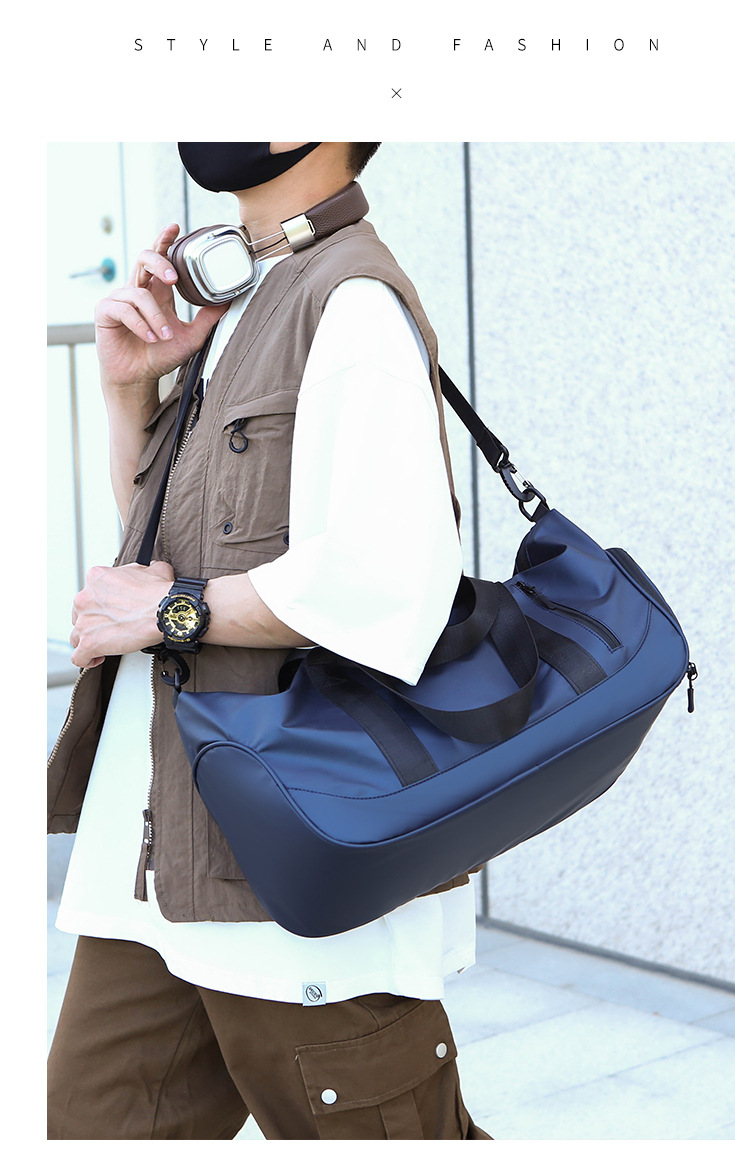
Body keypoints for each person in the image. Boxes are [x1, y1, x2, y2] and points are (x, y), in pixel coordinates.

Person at [47, 142, 492, 1140]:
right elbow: (169, 541)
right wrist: (129, 395)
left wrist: (170, 613)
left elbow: (391, 583)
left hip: (293, 873)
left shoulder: (351, 301)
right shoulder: (239, 292)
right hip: (153, 857)